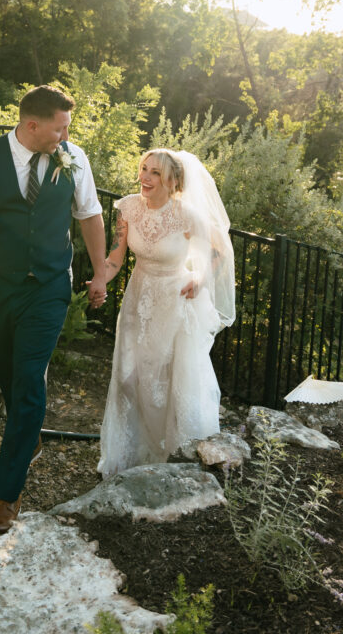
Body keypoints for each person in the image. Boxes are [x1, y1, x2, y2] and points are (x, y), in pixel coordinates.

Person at [0, 85, 107, 535]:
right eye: (60, 128)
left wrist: (101, 272)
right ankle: (29, 433)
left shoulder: (75, 158)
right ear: (32, 125)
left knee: (30, 379)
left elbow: (90, 214)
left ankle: (6, 495)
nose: (66, 135)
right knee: (10, 376)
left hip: (50, 288)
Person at [98, 148, 235, 477]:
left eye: (155, 172)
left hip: (174, 303)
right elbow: (115, 258)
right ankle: (128, 453)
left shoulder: (187, 215)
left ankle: (175, 454)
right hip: (137, 298)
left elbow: (219, 250)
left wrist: (200, 278)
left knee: (169, 379)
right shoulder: (129, 207)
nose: (145, 177)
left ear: (173, 181)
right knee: (129, 376)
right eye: (144, 169)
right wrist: (100, 280)